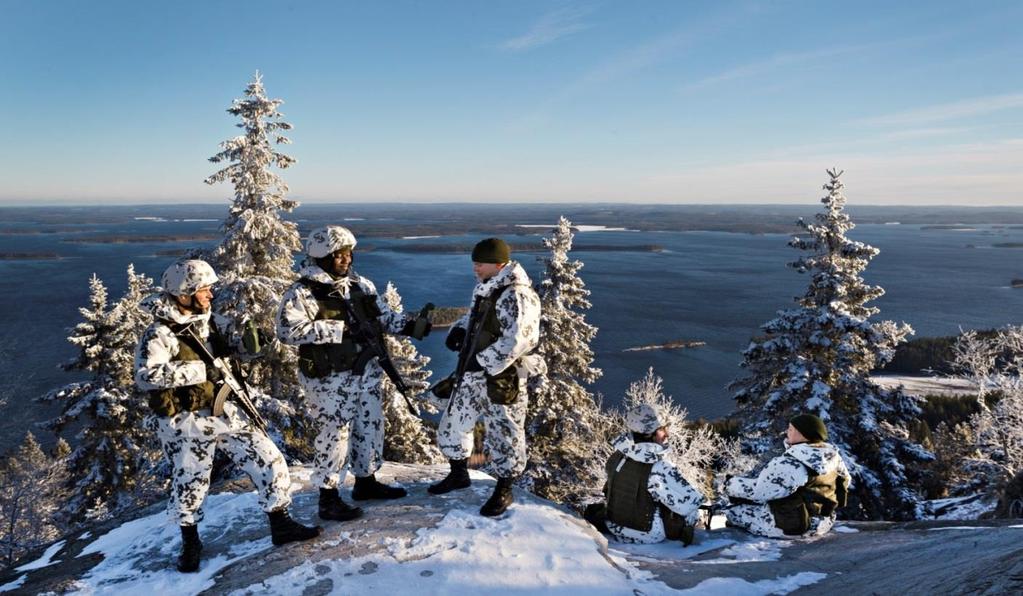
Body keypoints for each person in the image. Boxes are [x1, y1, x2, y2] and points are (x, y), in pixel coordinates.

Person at [135, 259, 320, 573]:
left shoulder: (211, 322)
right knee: (190, 482)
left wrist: (251, 345)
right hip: (187, 420)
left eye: (209, 289)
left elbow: (234, 350)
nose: (209, 295)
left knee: (270, 459)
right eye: (204, 290)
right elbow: (146, 376)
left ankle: (281, 523)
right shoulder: (160, 333)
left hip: (225, 410)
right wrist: (198, 370)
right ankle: (190, 542)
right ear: (183, 294)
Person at [276, 226, 431, 522]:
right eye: (339, 256)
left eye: (349, 254)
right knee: (335, 435)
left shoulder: (360, 285)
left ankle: (366, 481)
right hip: (329, 378)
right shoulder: (304, 291)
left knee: (370, 424)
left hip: (366, 373)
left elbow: (382, 317)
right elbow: (287, 330)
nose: (346, 260)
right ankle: (328, 496)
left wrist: (410, 326)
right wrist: (339, 329)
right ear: (323, 257)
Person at [428, 238, 541, 517]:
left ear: (498, 263)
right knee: (455, 421)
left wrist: (483, 361)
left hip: (501, 379)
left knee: (505, 433)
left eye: (480, 263)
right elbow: (477, 320)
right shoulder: (487, 288)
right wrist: (458, 328)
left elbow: (522, 339)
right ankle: (458, 474)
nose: (475, 268)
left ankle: (504, 488)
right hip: (471, 374)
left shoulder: (518, 294)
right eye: (474, 263)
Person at [724, 413, 852, 538]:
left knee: (734, 512)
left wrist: (730, 484)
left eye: (791, 429)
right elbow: (845, 481)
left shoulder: (791, 462)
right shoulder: (833, 456)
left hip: (793, 526)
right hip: (823, 522)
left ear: (803, 434)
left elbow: (760, 492)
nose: (787, 432)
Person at [598, 404, 705, 544]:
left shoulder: (617, 457)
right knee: (694, 512)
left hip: (614, 526)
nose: (667, 434)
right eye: (662, 429)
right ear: (649, 433)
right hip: (648, 534)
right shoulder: (659, 467)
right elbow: (691, 501)